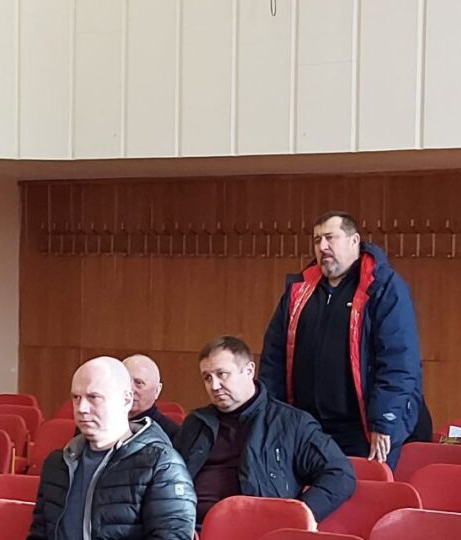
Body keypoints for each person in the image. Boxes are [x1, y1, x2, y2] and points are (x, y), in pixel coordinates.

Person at [260, 210, 423, 467]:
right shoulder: (299, 290)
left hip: (362, 430)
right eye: (317, 240)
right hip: (306, 427)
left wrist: (384, 421)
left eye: (330, 238)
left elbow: (399, 362)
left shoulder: (383, 286)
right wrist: (271, 416)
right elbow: (274, 357)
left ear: (354, 240)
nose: (322, 246)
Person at [175, 336, 355, 527]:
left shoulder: (291, 423)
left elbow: (340, 474)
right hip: (186, 527)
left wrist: (300, 514)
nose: (214, 386)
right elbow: (168, 476)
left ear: (249, 371)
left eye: (222, 374)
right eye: (207, 378)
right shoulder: (196, 423)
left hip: (254, 529)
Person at [29, 356, 196, 540]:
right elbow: (39, 534)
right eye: (76, 398)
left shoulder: (162, 465)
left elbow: (172, 536)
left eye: (94, 397)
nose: (82, 408)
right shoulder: (57, 464)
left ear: (126, 400)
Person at [123, 354, 180, 439]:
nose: (129, 390)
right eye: (124, 381)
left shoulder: (171, 434)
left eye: (139, 383)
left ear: (157, 390)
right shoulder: (104, 423)